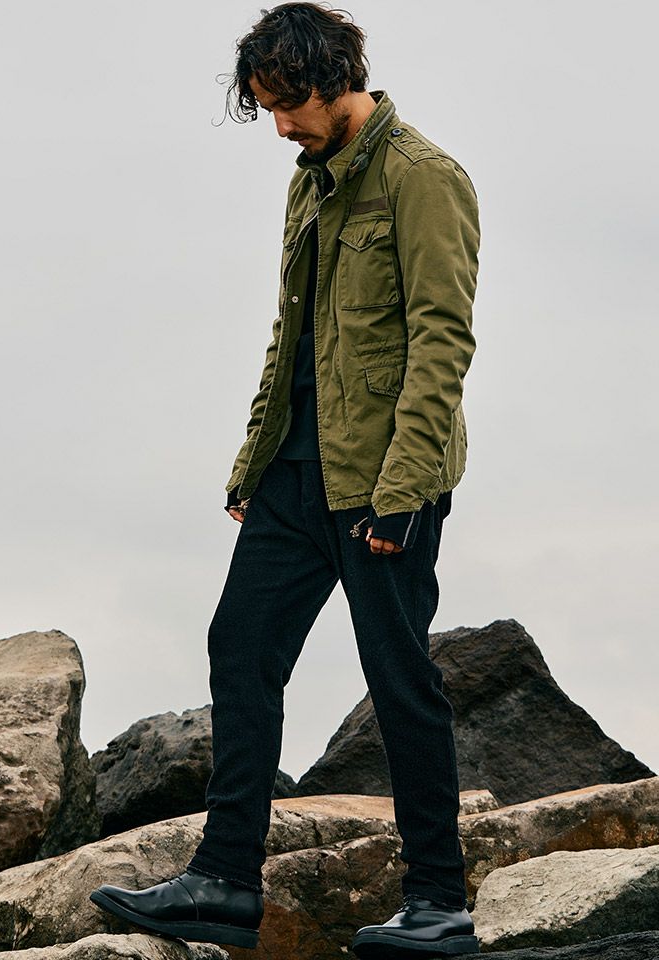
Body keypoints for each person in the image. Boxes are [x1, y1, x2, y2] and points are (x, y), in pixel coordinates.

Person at [90, 3, 481, 956]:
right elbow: (290, 336)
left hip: (382, 483)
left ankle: (440, 902)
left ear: (338, 78)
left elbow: (442, 341)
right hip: (294, 478)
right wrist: (253, 460)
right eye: (265, 106)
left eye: (287, 104)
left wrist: (403, 489)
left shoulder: (425, 178)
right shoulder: (308, 183)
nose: (279, 127)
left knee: (399, 681)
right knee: (241, 647)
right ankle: (225, 882)